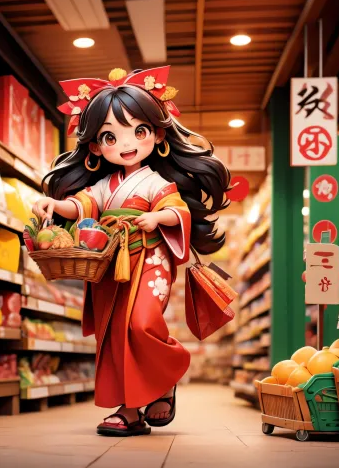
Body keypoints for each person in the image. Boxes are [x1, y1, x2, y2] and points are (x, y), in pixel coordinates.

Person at [32, 66, 230, 437]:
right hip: (110, 264)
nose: (127, 144)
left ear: (156, 134)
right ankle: (130, 409)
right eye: (111, 136)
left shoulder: (157, 182)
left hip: (150, 260)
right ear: (95, 146)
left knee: (140, 324)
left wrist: (159, 218)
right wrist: (55, 206)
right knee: (113, 334)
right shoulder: (106, 184)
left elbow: (180, 210)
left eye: (138, 131)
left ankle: (168, 371)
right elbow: (84, 205)